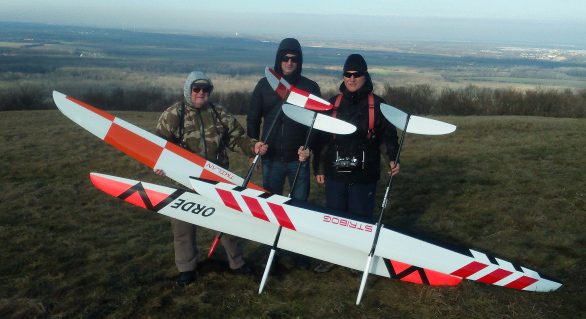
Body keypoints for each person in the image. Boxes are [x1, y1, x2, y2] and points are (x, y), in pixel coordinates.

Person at [154, 71, 268, 285]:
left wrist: (253, 146)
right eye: (196, 89)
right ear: (189, 90)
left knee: (228, 223)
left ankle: (237, 263)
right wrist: (159, 164)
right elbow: (158, 144)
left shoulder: (219, 113)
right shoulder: (173, 114)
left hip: (217, 180)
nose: (201, 93)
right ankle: (186, 268)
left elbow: (237, 138)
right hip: (183, 180)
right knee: (183, 227)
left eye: (206, 90)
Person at [312, 54, 401, 272]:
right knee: (333, 217)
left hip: (364, 173)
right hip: (335, 171)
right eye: (347, 74)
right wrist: (319, 168)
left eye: (356, 75)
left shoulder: (378, 105)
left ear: (364, 75)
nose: (351, 79)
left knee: (360, 218)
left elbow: (389, 136)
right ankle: (331, 256)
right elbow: (321, 139)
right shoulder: (333, 103)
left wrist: (392, 158)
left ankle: (356, 260)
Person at [247, 38, 319, 269]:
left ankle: (299, 251)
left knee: (300, 207)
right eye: (285, 58)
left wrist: (309, 148)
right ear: (279, 59)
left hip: (299, 160)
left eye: (294, 58)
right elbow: (253, 117)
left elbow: (317, 124)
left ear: (299, 61)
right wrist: (254, 147)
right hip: (272, 158)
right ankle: (272, 250)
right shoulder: (264, 85)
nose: (289, 62)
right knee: (272, 207)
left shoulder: (309, 87)